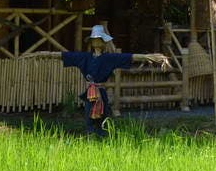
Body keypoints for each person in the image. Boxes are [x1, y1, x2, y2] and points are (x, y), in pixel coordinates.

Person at [26, 24, 168, 136]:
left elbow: (130, 57)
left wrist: (149, 57)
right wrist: (43, 54)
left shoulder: (109, 58)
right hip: (90, 93)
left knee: (103, 116)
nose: (96, 41)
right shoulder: (84, 57)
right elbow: (63, 55)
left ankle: (103, 137)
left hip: (101, 92)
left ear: (103, 41)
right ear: (91, 41)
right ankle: (90, 136)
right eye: (94, 39)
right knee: (89, 115)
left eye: (98, 39)